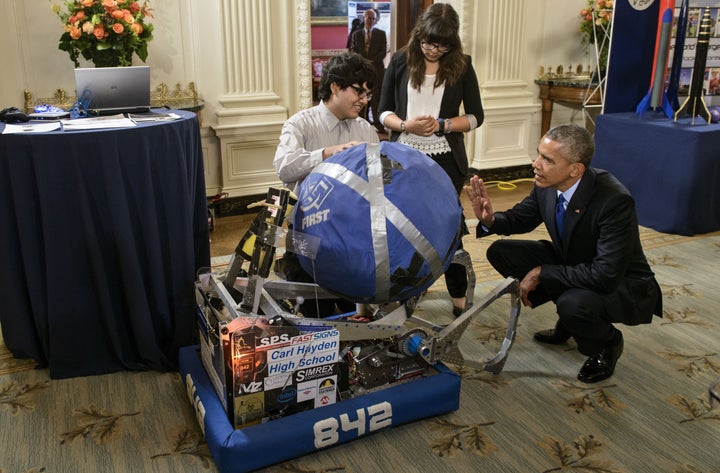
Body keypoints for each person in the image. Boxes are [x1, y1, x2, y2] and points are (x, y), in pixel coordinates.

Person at [464, 124, 662, 383]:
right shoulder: (546, 184)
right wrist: (490, 219)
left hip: (621, 282)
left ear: (575, 169)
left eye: (547, 159)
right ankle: (570, 322)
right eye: (538, 154)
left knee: (573, 304)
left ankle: (608, 343)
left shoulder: (614, 200)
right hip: (577, 263)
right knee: (502, 252)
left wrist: (543, 272)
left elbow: (605, 274)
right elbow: (520, 219)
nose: (536, 164)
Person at [377, 2, 484, 317]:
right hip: (402, 156)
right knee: (404, 226)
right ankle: (406, 291)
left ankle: (459, 297)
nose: (434, 50)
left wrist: (443, 125)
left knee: (449, 226)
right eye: (427, 42)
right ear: (418, 35)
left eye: (441, 45)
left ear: (452, 42)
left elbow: (477, 116)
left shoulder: (462, 65)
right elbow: (381, 111)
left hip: (446, 161)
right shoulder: (399, 60)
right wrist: (405, 125)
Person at [273, 51, 379, 317]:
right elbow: (284, 167)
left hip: (352, 234)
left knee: (355, 311)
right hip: (307, 232)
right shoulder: (300, 124)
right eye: (358, 92)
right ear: (334, 86)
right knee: (313, 312)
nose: (364, 101)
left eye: (368, 95)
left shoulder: (366, 129)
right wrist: (327, 153)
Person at [350, 8, 388, 133]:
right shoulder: (356, 34)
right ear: (363, 18)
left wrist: (372, 61)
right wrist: (364, 62)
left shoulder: (381, 34)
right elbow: (353, 51)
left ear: (376, 20)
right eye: (368, 17)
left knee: (377, 97)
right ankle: (361, 123)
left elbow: (383, 51)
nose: (370, 20)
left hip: (377, 70)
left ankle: (378, 124)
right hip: (361, 71)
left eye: (372, 18)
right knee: (361, 96)